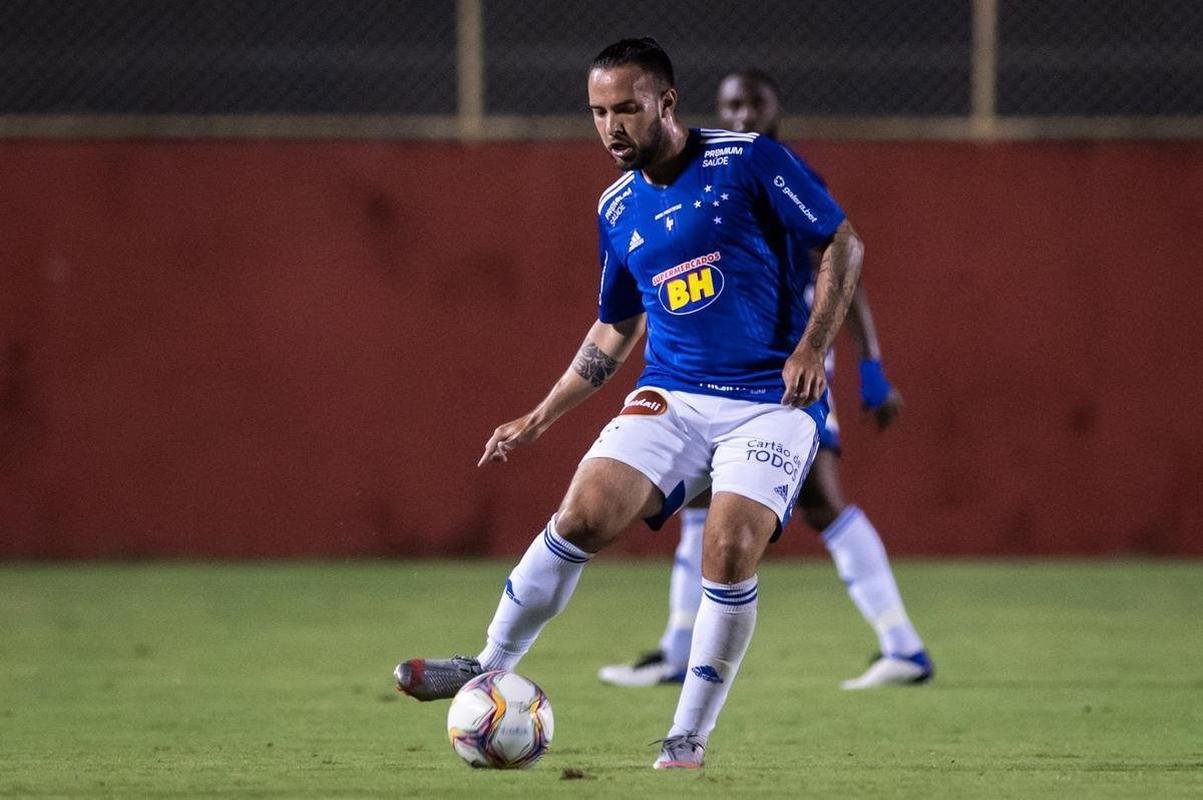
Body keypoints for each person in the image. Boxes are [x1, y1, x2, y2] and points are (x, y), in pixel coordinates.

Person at [394, 38, 864, 770]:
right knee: (582, 514)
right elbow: (615, 327)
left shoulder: (748, 160)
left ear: (665, 103)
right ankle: (486, 663)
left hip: (769, 401)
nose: (610, 126)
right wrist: (539, 415)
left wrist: (812, 346)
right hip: (672, 394)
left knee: (728, 551)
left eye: (625, 109)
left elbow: (841, 243)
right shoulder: (615, 207)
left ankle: (687, 736)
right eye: (597, 112)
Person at [598, 69, 933, 692]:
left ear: (776, 107)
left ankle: (903, 645)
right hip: (727, 374)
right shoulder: (715, 174)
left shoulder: (778, 172)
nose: (744, 114)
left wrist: (871, 366)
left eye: (755, 103)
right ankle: (676, 649)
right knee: (699, 500)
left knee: (821, 500)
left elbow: (842, 264)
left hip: (790, 362)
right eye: (732, 105)